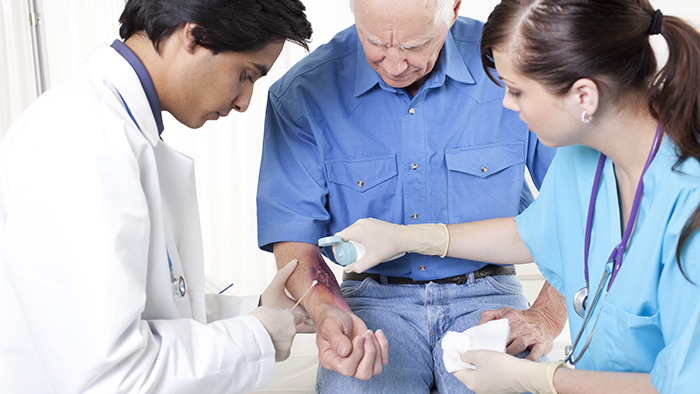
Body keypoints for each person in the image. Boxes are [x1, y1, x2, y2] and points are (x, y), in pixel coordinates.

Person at [335, 0, 700, 392]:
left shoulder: (688, 205)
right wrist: (407, 238)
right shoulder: (584, 159)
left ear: (584, 97)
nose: (507, 104)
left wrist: (542, 379)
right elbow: (533, 234)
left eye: (516, 90)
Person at [0, 0, 313, 393]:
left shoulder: (120, 133)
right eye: (246, 75)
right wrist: (258, 335)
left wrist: (255, 312)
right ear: (194, 36)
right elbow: (114, 376)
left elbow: (155, 308)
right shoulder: (81, 141)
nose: (244, 102)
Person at [256, 0, 567, 391]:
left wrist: (546, 317)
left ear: (452, 9)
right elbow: (294, 239)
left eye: (415, 45)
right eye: (376, 43)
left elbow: (586, 211)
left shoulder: (511, 67)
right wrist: (328, 314)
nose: (395, 64)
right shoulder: (301, 94)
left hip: (488, 296)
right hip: (369, 300)